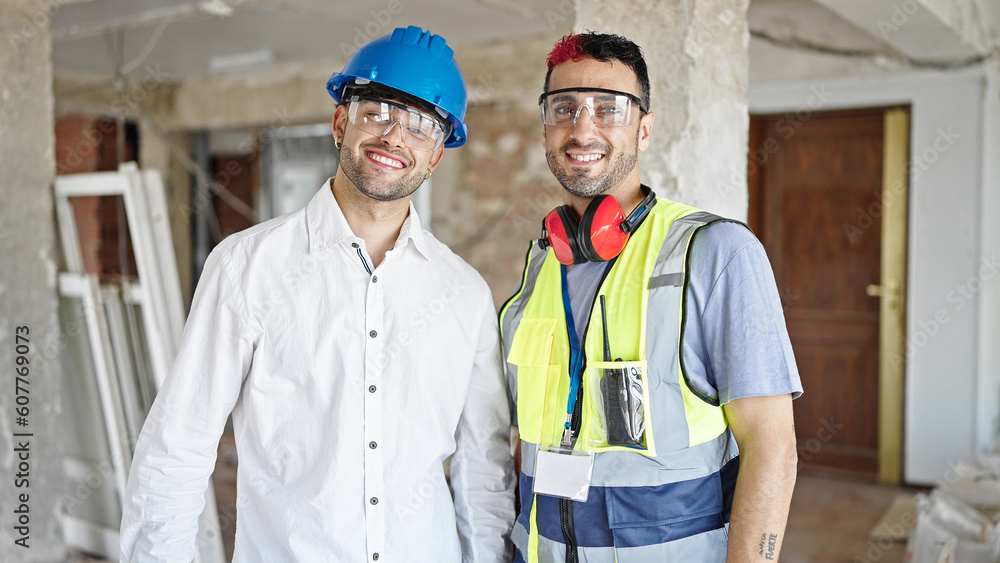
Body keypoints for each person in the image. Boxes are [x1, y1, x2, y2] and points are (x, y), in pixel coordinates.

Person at [120, 26, 515, 562]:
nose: (395, 137)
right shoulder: (245, 268)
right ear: (339, 122)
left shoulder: (463, 294)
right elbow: (177, 448)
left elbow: (483, 469)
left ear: (437, 155)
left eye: (421, 124)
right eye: (377, 110)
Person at [499, 32, 802, 562]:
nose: (582, 127)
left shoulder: (716, 252)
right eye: (564, 108)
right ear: (545, 127)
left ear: (644, 129)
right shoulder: (540, 263)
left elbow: (772, 449)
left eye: (608, 109)